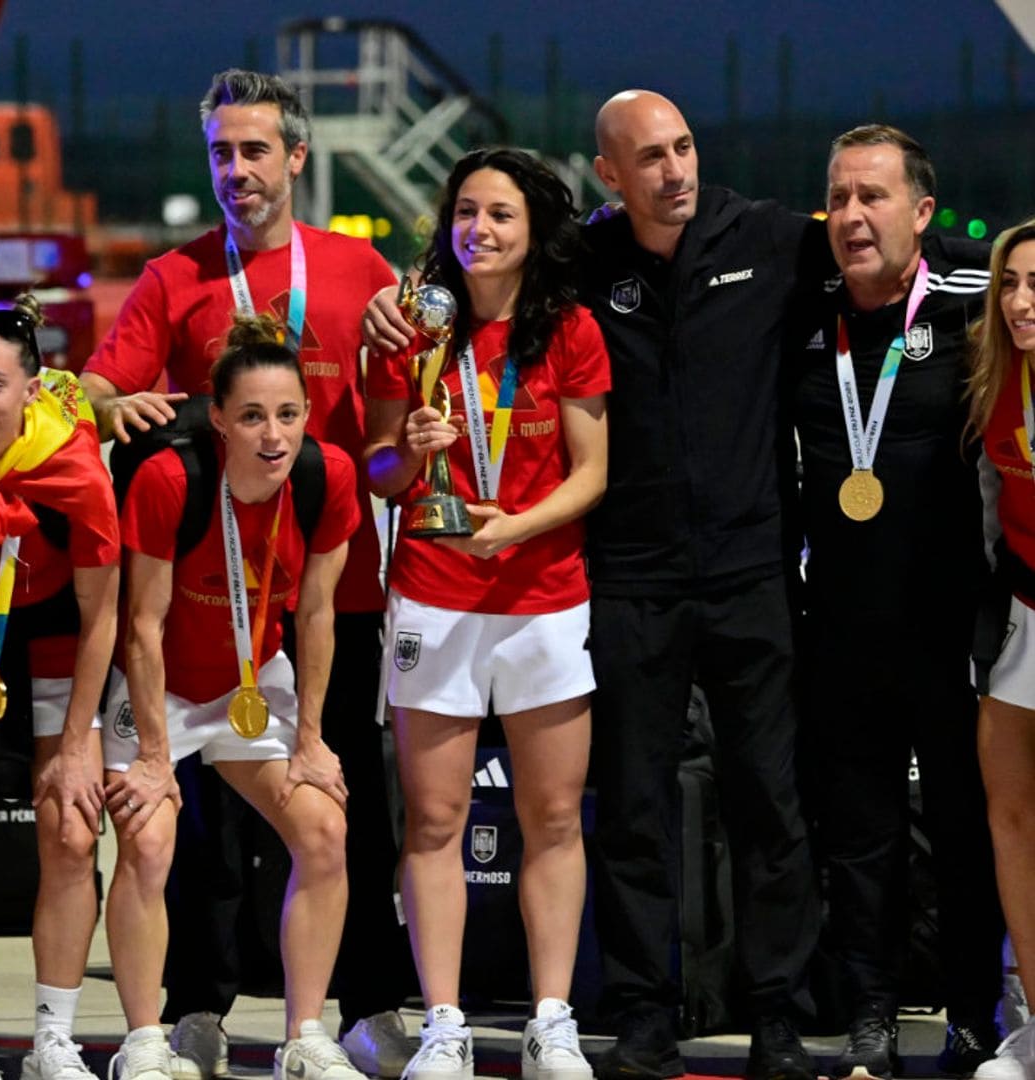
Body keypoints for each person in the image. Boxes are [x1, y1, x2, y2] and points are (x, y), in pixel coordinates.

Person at [364, 89, 824, 1080]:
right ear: (608, 177)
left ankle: (772, 1011)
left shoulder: (767, 241)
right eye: (649, 156)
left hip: (716, 574)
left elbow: (880, 256)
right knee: (621, 812)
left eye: (684, 146)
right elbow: (389, 450)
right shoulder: (533, 288)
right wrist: (404, 414)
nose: (676, 170)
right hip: (603, 582)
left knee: (761, 805)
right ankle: (631, 1008)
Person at [79, 69, 414, 1079]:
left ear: (297, 158)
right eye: (222, 153)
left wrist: (418, 451)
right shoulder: (176, 276)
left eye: (256, 150)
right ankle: (195, 1009)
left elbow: (392, 440)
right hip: (202, 608)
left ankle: (366, 1006)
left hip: (327, 595)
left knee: (345, 805)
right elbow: (98, 382)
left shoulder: (363, 272)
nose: (237, 171)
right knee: (200, 829)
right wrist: (109, 408)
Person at [363, 146, 610, 1080]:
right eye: (466, 212)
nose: (480, 230)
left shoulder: (571, 329)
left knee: (551, 816)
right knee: (433, 820)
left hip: (544, 597)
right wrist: (410, 450)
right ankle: (443, 1024)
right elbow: (381, 470)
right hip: (433, 594)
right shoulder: (409, 328)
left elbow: (592, 472)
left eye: (501, 214)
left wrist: (512, 529)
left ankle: (551, 1021)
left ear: (535, 229)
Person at [791, 124, 1004, 1080]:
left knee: (965, 831)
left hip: (953, 633)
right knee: (859, 841)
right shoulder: (802, 308)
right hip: (839, 629)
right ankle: (870, 1015)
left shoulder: (972, 304)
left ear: (921, 212)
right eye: (838, 198)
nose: (851, 217)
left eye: (873, 197)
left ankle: (970, 1013)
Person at [101, 313, 364, 1080]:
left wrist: (310, 738)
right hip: (163, 688)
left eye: (287, 414)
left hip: (254, 679)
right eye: (251, 416)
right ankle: (144, 1039)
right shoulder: (170, 478)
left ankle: (305, 1037)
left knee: (323, 832)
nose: (272, 435)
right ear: (219, 418)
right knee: (149, 843)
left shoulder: (327, 476)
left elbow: (316, 616)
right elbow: (141, 627)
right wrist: (154, 756)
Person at [0, 292, 120, 1080]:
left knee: (70, 830)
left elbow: (102, 617)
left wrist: (81, 742)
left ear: (30, 387)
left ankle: (53, 1037)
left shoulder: (75, 469)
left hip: (55, 631)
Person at [966, 217, 1035, 1080]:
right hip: (1024, 610)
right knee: (1011, 815)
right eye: (1011, 284)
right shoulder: (994, 380)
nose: (1022, 302)